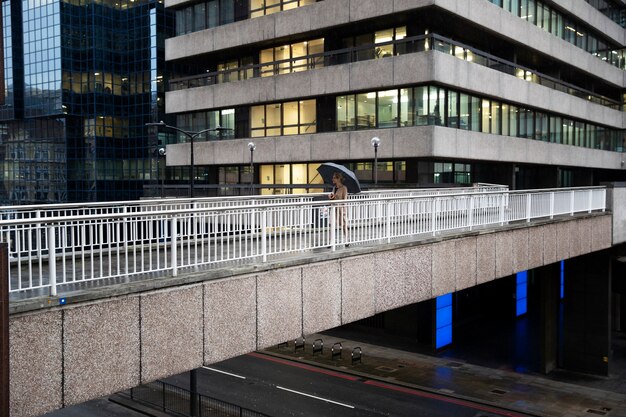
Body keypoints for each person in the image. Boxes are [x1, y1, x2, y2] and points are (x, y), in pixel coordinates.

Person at [329, 172, 349, 246]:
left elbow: (345, 199)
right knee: (331, 224)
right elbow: (333, 199)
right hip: (334, 208)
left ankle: (346, 240)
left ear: (338, 179)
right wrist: (331, 197)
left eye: (334, 178)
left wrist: (336, 198)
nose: (332, 179)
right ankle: (331, 241)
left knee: (343, 224)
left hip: (341, 209)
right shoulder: (334, 188)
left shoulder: (344, 188)